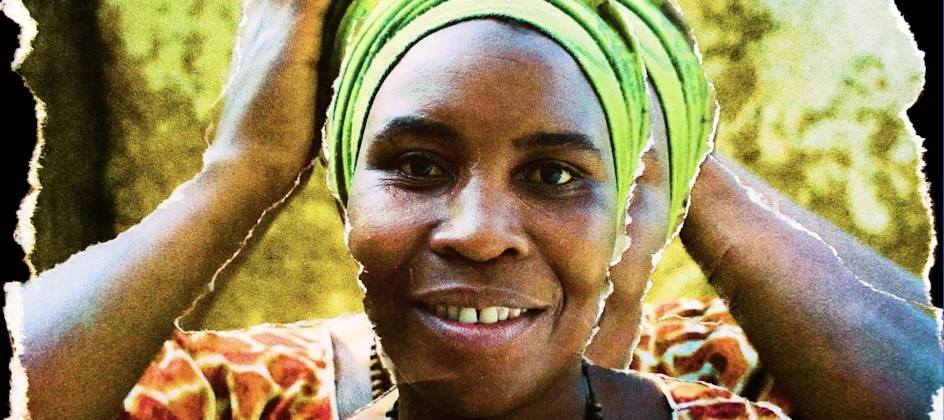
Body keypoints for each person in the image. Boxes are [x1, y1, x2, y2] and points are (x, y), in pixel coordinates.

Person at [10, 0, 942, 419]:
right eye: (417, 165)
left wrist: (689, 150)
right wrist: (238, 174)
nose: (482, 233)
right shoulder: (260, 397)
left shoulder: (730, 375)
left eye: (562, 175)